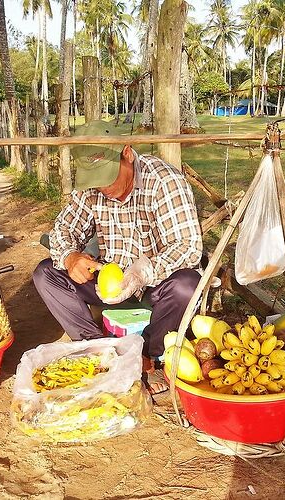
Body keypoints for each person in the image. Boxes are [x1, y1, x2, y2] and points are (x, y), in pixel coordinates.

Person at [33, 120, 203, 388]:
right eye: (95, 180)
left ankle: (152, 355)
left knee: (187, 285)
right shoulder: (91, 189)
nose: (104, 188)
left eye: (108, 176)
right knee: (46, 273)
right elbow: (63, 229)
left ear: (126, 153)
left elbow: (188, 246)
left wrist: (142, 272)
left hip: (155, 288)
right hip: (107, 285)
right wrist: (71, 257)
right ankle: (98, 349)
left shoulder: (163, 180)